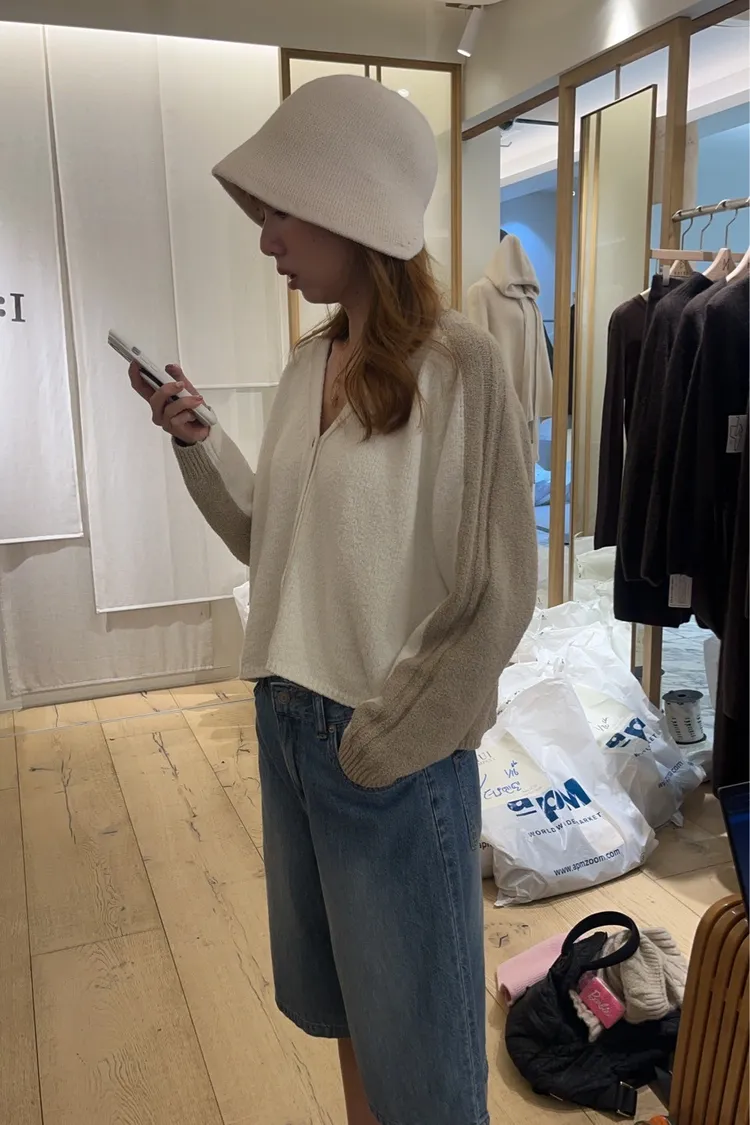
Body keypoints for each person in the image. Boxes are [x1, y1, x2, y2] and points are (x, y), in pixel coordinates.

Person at [130, 74, 537, 1125]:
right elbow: (274, 545)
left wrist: (387, 741)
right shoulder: (309, 359)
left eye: (282, 210)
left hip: (386, 750)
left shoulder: (463, 366)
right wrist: (200, 441)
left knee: (426, 1065)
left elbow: (497, 591)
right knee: (351, 1015)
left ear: (353, 205)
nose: (266, 238)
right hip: (288, 726)